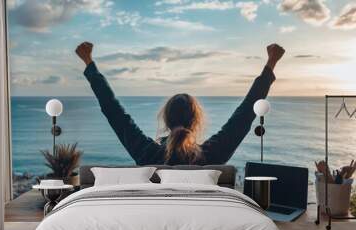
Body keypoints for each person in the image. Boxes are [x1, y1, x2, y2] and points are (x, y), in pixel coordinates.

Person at [76, 42, 285, 165]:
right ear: (195, 121)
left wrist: (89, 63)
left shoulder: (147, 153)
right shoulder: (212, 155)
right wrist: (271, 63)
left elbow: (114, 111)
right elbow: (245, 114)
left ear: (166, 119)